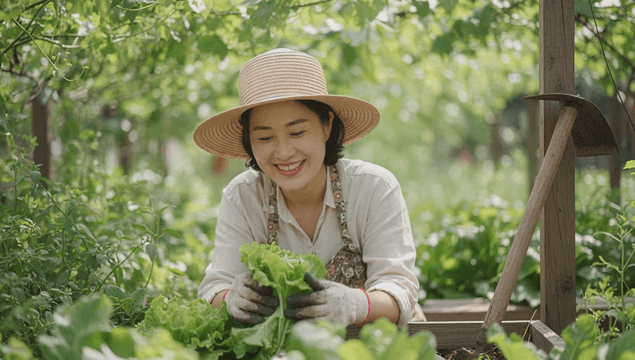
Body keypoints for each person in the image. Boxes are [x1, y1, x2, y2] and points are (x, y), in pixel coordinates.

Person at [195, 48, 424, 328]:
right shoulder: (243, 196)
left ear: (326, 125)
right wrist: (231, 297)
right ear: (249, 143)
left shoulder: (374, 187)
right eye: (265, 137)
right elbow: (215, 286)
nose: (283, 151)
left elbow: (399, 289)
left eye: (297, 132)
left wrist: (353, 303)